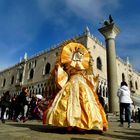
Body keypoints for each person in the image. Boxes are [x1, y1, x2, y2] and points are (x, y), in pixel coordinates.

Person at [42, 42, 108, 132]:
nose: (80, 55)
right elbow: (63, 74)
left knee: (85, 101)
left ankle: (81, 124)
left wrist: (93, 78)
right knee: (70, 102)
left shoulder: (84, 66)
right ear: (74, 54)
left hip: (82, 83)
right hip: (71, 82)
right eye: (79, 54)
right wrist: (59, 68)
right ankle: (70, 123)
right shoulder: (68, 64)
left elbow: (86, 76)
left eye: (81, 54)